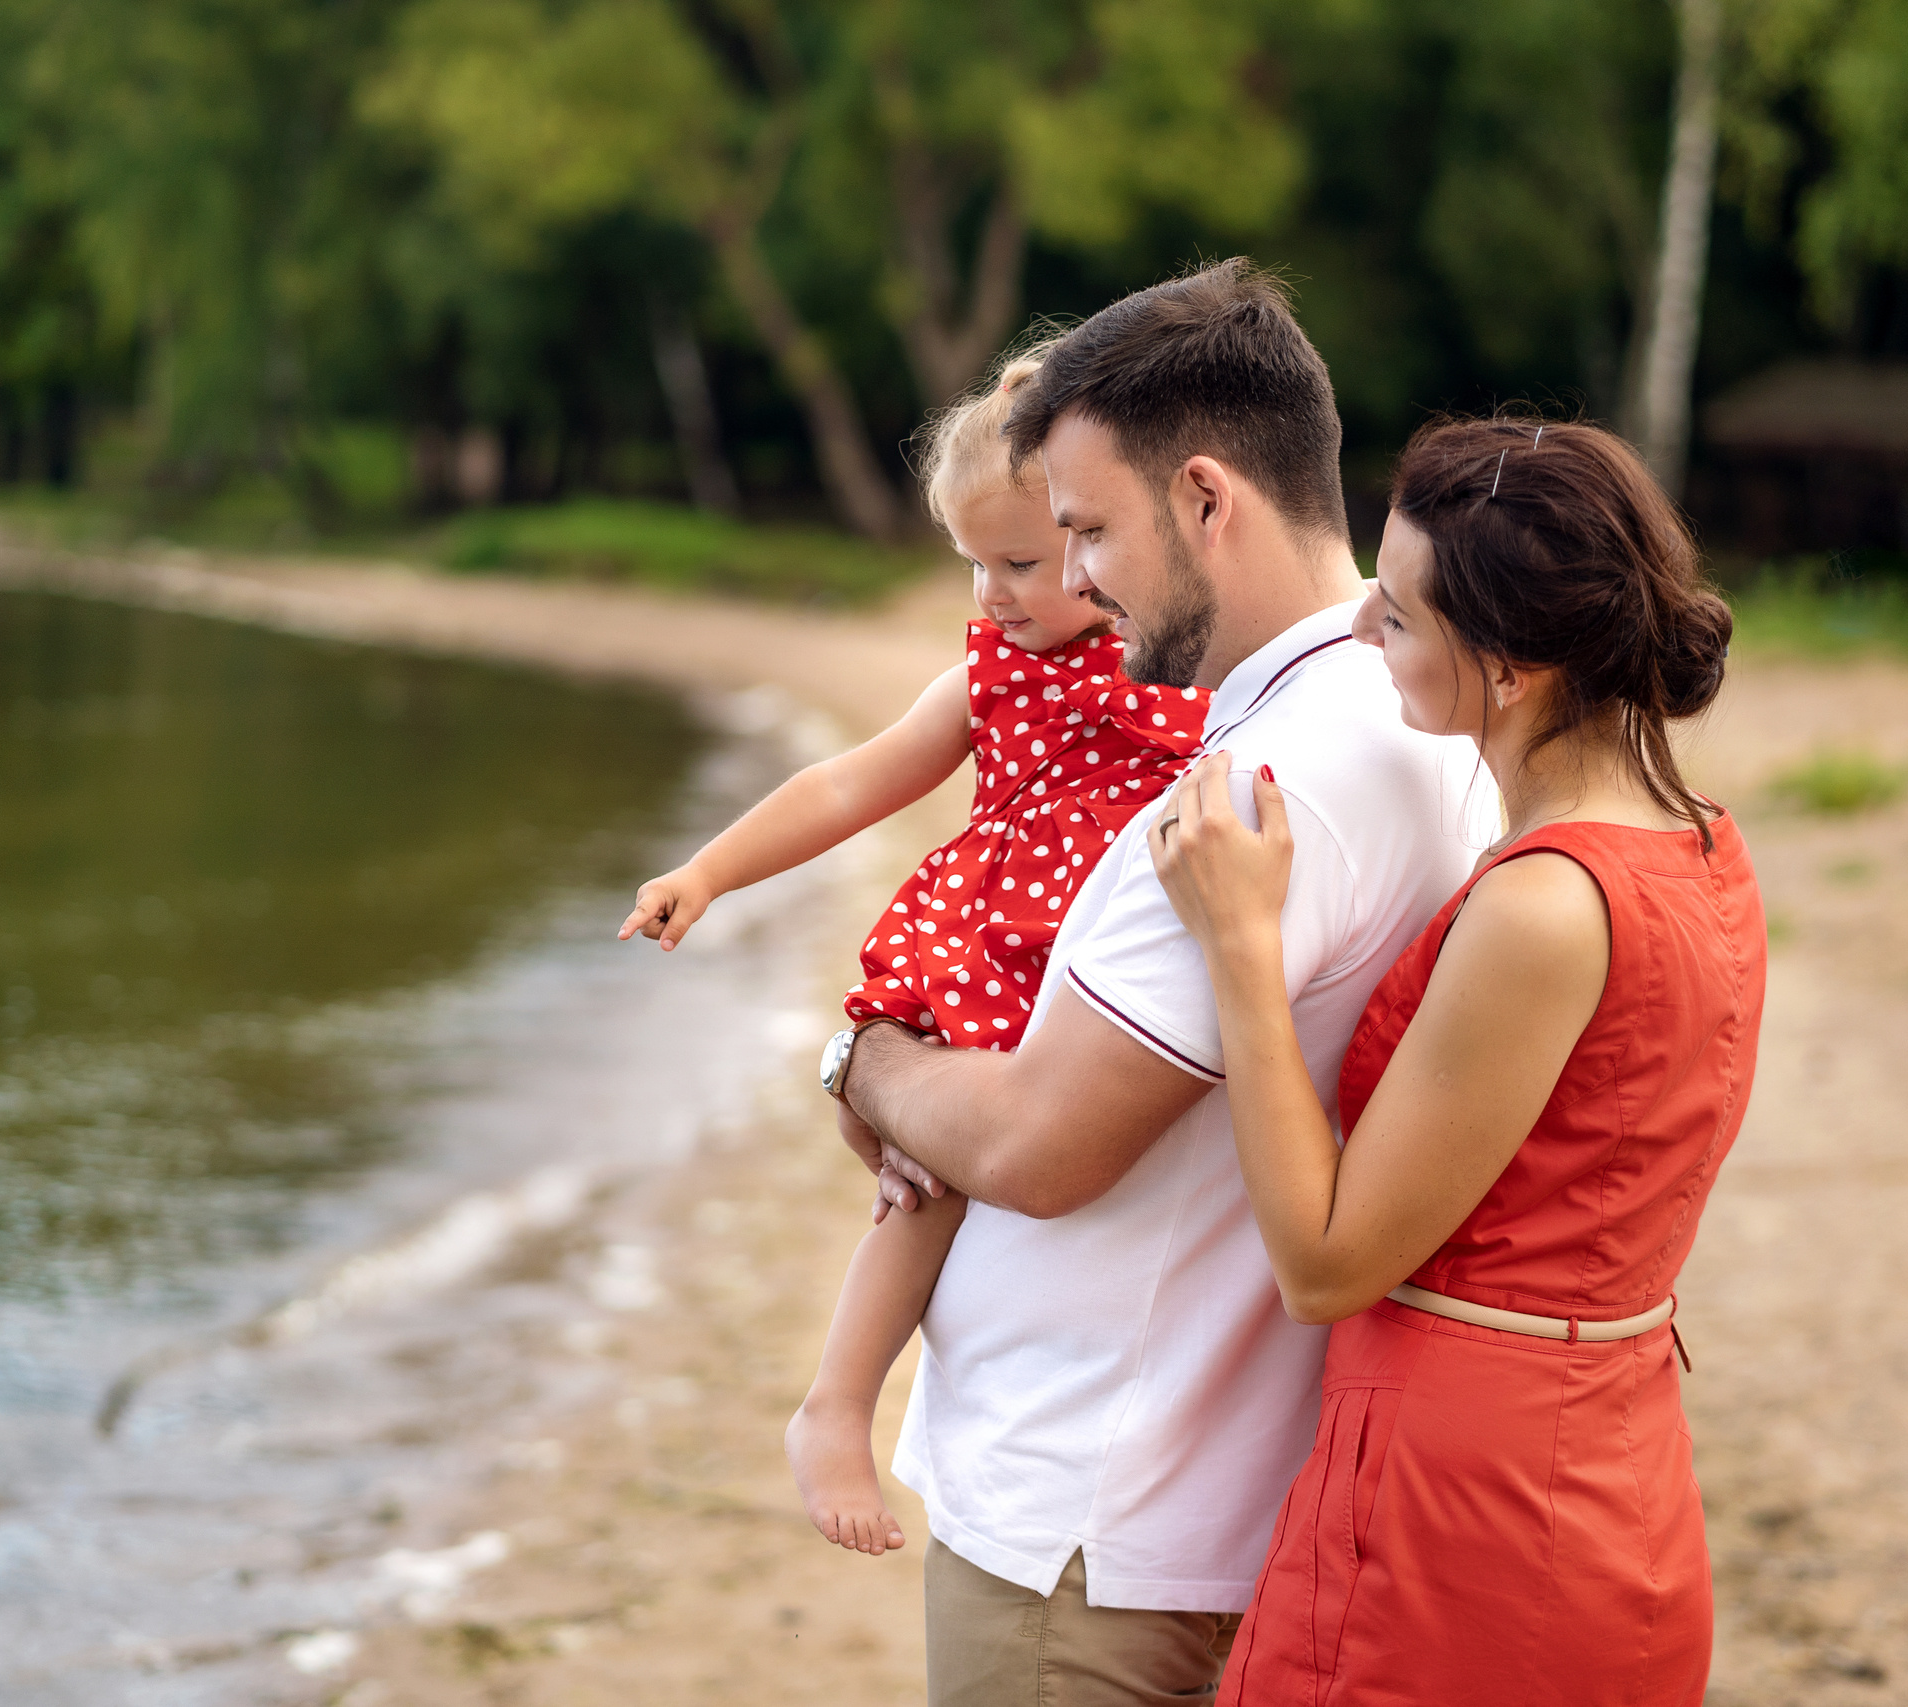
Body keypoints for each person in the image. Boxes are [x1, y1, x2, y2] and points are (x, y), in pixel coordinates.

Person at [833, 261, 1496, 1705]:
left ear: (1206, 498)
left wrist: (863, 1063)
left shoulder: (1254, 791)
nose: (1069, 579)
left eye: (1086, 530)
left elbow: (1035, 1142)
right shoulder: (1419, 718)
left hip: (1089, 1529)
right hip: (1194, 1499)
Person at [1147, 416, 1763, 1706]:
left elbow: (1324, 1262)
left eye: (1401, 614)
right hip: (1614, 1461)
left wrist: (1242, 949)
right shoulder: (1703, 846)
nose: (1364, 628)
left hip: (1459, 1515)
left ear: (1511, 669)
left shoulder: (1546, 906)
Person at [618, 344, 1207, 1556]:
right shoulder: (989, 673)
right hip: (994, 954)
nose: (989, 595)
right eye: (971, 565)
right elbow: (847, 782)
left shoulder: (1179, 660)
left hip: (1107, 960)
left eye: (1021, 564)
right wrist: (708, 872)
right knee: (925, 1183)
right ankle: (836, 1401)